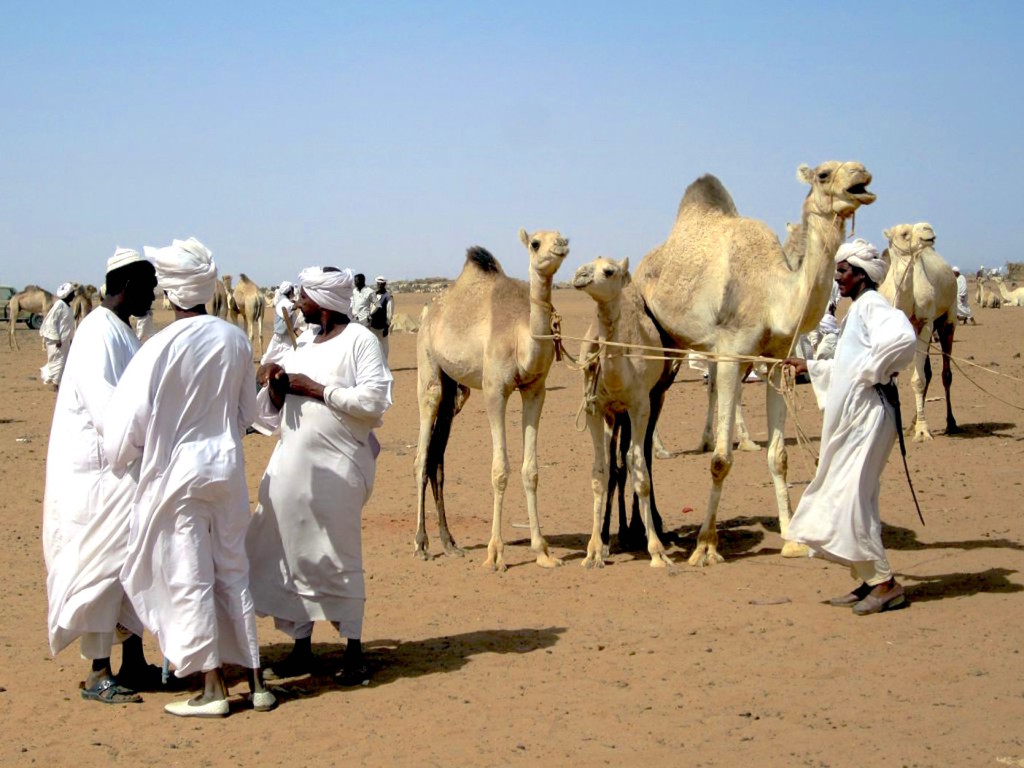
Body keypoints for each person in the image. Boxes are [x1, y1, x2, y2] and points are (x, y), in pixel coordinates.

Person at [104, 237, 274, 717]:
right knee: (234, 570)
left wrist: (124, 459)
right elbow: (249, 415)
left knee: (190, 576)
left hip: (178, 479)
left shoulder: (156, 349)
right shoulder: (235, 340)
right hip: (226, 470)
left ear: (171, 295)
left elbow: (127, 431)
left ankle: (213, 687)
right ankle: (258, 682)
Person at [246, 266, 392, 685]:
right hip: (291, 471)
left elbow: (374, 401)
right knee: (292, 555)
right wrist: (274, 383)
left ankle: (354, 651)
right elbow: (272, 410)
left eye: (305, 298)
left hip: (338, 471)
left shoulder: (360, 341)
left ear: (325, 305)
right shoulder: (304, 344)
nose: (299, 305)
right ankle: (302, 648)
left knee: (338, 555)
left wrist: (317, 389)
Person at [43, 249, 159, 704]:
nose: (154, 294)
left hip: (120, 471)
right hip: (94, 478)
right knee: (100, 568)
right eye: (148, 285)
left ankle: (132, 659)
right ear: (128, 285)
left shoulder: (123, 334)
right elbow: (108, 410)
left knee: (129, 564)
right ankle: (98, 672)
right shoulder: (96, 333)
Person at [784, 239, 917, 616]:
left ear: (860, 275)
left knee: (851, 498)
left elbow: (902, 339)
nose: (838, 279)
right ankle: (869, 579)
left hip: (870, 418)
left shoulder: (872, 306)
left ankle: (886, 585)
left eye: (843, 272)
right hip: (858, 418)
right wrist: (808, 368)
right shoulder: (857, 310)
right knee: (855, 498)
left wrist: (874, 372)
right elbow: (847, 368)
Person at [39, 282, 78, 389]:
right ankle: (55, 384)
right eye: (72, 294)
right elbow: (50, 322)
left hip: (64, 340)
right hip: (57, 341)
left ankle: (53, 379)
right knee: (58, 361)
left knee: (60, 360)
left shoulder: (67, 306)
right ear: (68, 295)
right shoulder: (59, 305)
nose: (74, 296)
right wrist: (56, 339)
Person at [260, 281, 299, 365]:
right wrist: (300, 304)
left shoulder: (285, 300)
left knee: (287, 353)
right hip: (281, 335)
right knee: (272, 355)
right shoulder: (283, 301)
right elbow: (290, 307)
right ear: (289, 291)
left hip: (287, 335)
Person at [368, 275, 394, 361]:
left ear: (384, 284)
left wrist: (387, 325)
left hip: (383, 326)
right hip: (373, 325)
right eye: (378, 284)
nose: (379, 285)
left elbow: (390, 312)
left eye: (381, 284)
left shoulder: (388, 297)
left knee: (384, 346)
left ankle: (384, 364)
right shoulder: (374, 295)